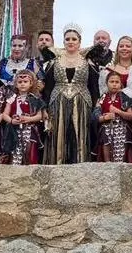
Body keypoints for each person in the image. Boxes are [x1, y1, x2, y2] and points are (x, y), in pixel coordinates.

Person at [42, 24, 100, 164]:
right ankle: (56, 166)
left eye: (74, 39)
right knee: (58, 135)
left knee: (80, 135)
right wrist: (44, 108)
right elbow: (48, 86)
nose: (70, 42)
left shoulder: (88, 62)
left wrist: (96, 106)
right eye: (67, 39)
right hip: (57, 101)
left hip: (82, 102)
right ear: (63, 41)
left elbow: (94, 87)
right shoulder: (54, 61)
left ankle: (81, 165)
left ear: (79, 42)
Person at [1, 70, 46, 165]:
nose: (22, 84)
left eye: (25, 82)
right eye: (20, 82)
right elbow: (4, 114)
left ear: (31, 83)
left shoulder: (35, 99)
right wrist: (11, 121)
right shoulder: (12, 98)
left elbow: (40, 116)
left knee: (30, 155)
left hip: (30, 131)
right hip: (14, 132)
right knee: (14, 155)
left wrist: (28, 119)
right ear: (16, 84)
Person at [95, 71, 132, 162]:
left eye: (117, 82)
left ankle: (122, 163)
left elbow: (130, 116)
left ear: (121, 84)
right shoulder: (102, 98)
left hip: (122, 126)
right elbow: (96, 117)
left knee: (123, 133)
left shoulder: (124, 98)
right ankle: (108, 164)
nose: (114, 84)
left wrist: (118, 111)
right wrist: (105, 118)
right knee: (105, 133)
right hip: (106, 126)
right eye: (112, 81)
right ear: (107, 83)